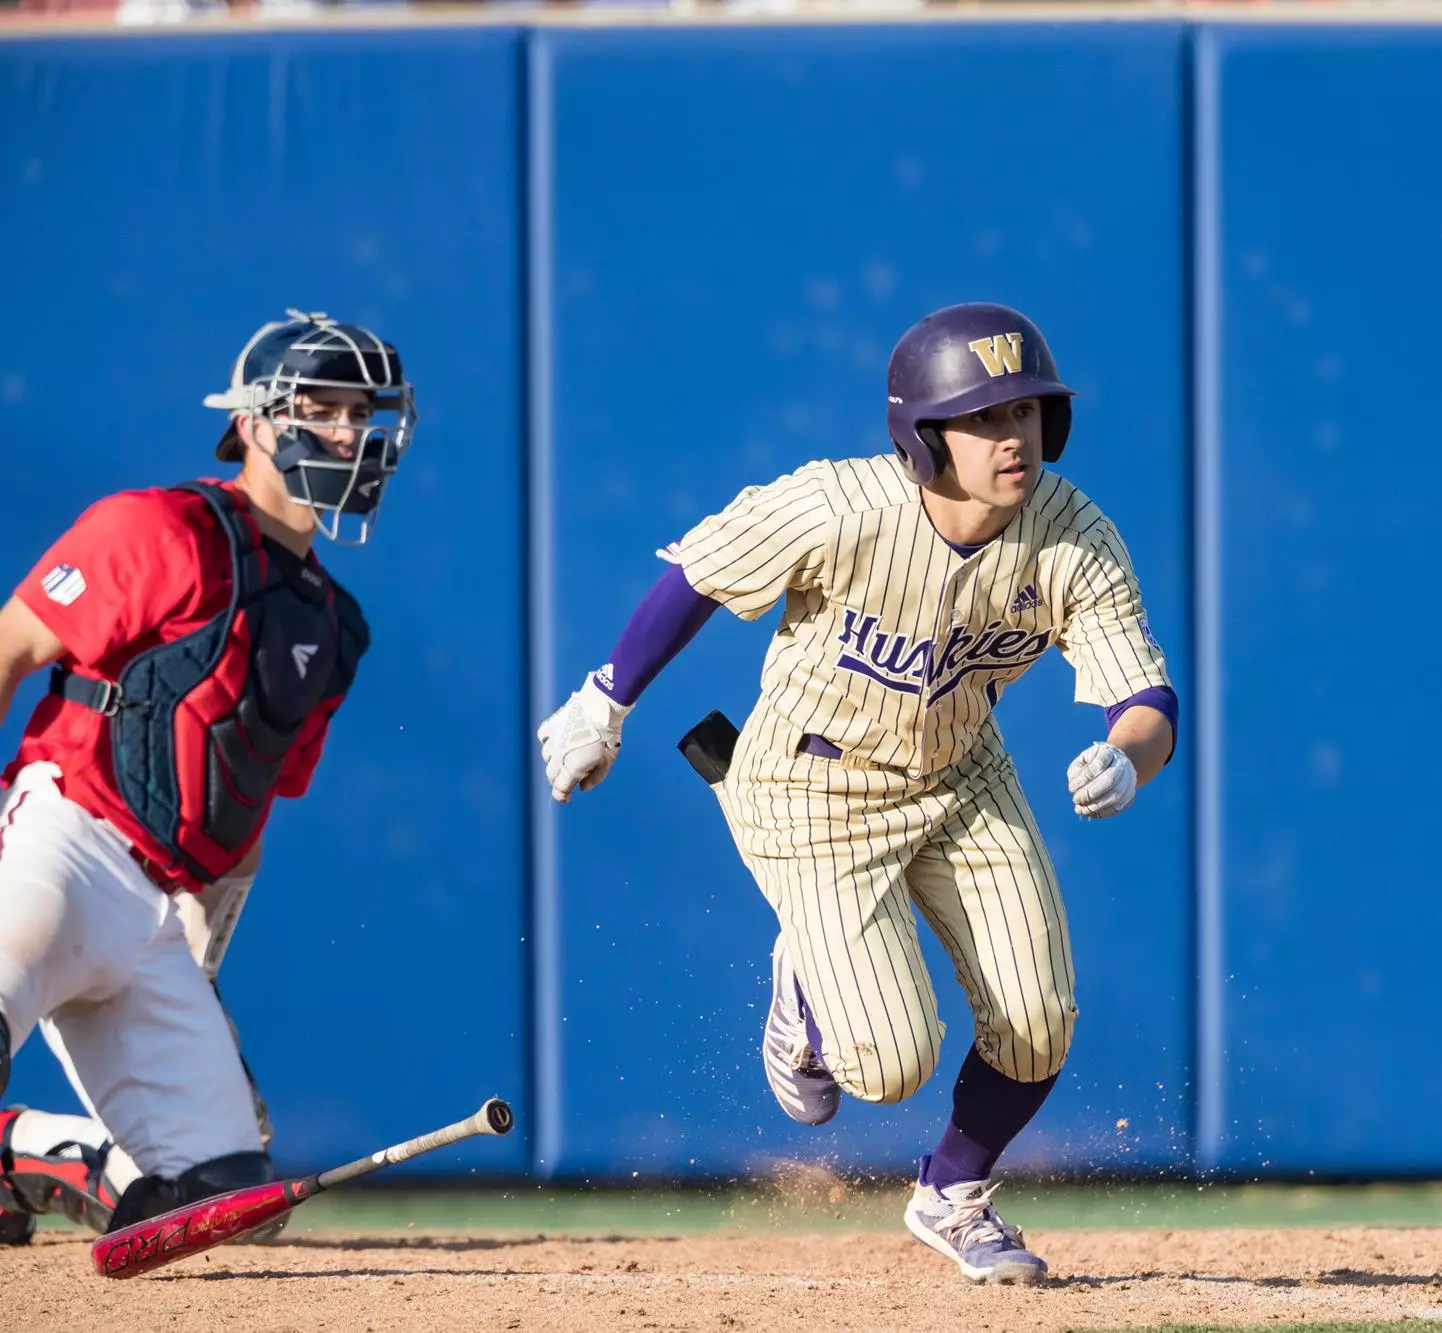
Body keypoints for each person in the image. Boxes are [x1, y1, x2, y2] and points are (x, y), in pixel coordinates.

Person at [537, 301, 1178, 1284]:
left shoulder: (1072, 533)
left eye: (1027, 414)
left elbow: (1145, 698)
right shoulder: (840, 506)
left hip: (961, 774)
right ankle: (803, 966)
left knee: (1041, 1015)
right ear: (925, 434)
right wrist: (603, 698)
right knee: (886, 1065)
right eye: (984, 418)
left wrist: (1128, 756)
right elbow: (697, 574)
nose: (1013, 437)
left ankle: (952, 1192)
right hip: (809, 783)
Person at [0, 309, 412, 1241]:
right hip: (63, 837)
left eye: (362, 411)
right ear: (258, 421)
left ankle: (26, 1176)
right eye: (322, 406)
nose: (349, 431)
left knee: (227, 1207)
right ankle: (48, 1157)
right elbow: (13, 644)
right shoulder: (160, 527)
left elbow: (248, 808)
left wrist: (198, 953)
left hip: (157, 910)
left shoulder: (333, 626)